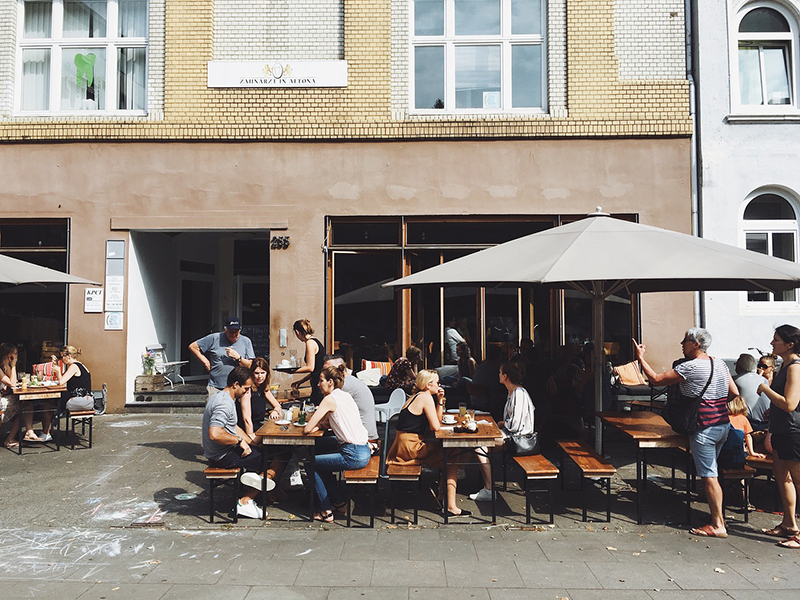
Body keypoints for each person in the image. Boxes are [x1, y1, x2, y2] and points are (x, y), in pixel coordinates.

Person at [634, 327, 738, 539]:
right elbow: (734, 392)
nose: (682, 344)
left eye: (685, 341)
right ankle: (718, 516)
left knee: (709, 476)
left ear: (696, 344)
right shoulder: (719, 363)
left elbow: (655, 379)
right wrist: (715, 404)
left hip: (704, 428)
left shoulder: (690, 367)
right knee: (713, 472)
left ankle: (718, 524)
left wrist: (640, 357)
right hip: (722, 424)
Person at [386, 369, 471, 518]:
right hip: (411, 446)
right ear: (428, 385)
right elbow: (435, 427)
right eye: (437, 382)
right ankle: (450, 505)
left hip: (404, 444)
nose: (439, 385)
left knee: (451, 453)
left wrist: (439, 400)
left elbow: (436, 421)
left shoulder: (418, 396)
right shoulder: (425, 398)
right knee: (452, 455)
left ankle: (442, 495)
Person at [202, 366, 275, 519]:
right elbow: (214, 433)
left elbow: (233, 426)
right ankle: (246, 501)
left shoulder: (221, 396)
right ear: (236, 384)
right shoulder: (225, 403)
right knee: (274, 459)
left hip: (221, 452)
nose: (248, 392)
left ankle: (256, 487)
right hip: (221, 456)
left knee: (261, 451)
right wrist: (240, 440)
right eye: (246, 388)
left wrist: (251, 441)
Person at [303, 364, 371, 522]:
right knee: (319, 453)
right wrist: (320, 425)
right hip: (363, 449)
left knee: (310, 463)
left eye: (321, 381)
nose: (318, 384)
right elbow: (327, 423)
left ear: (331, 382)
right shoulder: (345, 395)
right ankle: (339, 502)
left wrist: (316, 425)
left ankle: (326, 511)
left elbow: (307, 429)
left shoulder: (329, 400)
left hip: (352, 454)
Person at [756, 324, 800, 548]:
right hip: (782, 429)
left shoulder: (795, 367)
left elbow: (790, 404)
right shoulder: (785, 365)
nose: (772, 343)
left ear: (789, 344)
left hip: (793, 431)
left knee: (797, 480)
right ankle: (789, 524)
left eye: (776, 340)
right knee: (782, 477)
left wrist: (766, 389)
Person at [470, 361, 535, 502]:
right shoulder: (512, 392)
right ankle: (485, 485)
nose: (498, 375)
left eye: (500, 373)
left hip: (519, 439)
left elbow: (516, 425)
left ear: (505, 376)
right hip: (513, 436)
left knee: (480, 445)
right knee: (481, 442)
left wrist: (502, 423)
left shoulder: (519, 394)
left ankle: (488, 489)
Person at [189, 317, 255, 397]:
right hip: (216, 386)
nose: (234, 335)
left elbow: (250, 365)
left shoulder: (246, 341)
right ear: (225, 330)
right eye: (231, 332)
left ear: (240, 330)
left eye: (236, 332)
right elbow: (193, 347)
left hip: (238, 387)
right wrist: (205, 361)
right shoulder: (215, 338)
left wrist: (238, 358)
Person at [322, 354, 378, 440]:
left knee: (315, 445)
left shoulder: (345, 385)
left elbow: (327, 415)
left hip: (362, 440)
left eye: (329, 370)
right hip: (356, 436)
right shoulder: (349, 380)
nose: (325, 373)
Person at [236, 357, 282, 441]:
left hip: (258, 426)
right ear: (251, 373)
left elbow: (277, 405)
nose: (260, 376)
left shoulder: (263, 388)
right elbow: (247, 420)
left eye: (262, 373)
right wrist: (251, 439)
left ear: (267, 374)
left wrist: (275, 411)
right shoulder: (247, 390)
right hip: (246, 429)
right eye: (256, 373)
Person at [290, 319, 325, 405]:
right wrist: (300, 382)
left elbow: (310, 367)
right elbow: (316, 369)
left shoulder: (310, 343)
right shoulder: (315, 341)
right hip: (318, 383)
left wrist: (290, 371)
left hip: (318, 385)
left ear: (297, 332)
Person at [733, 353, 770, 431]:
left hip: (749, 422)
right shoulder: (764, 380)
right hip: (767, 422)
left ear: (739, 366)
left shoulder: (735, 380)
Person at [470, 344, 506, 413]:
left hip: (474, 400)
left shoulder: (479, 368)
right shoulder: (497, 370)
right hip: (489, 402)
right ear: (499, 357)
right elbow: (500, 387)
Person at [1, 343, 20, 449]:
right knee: (24, 407)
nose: (16, 357)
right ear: (9, 355)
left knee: (25, 407)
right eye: (15, 354)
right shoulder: (0, 368)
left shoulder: (5, 366)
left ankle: (10, 438)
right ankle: (9, 439)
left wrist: (11, 367)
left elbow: (14, 381)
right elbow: (13, 384)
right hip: (1, 400)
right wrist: (13, 366)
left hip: (4, 397)